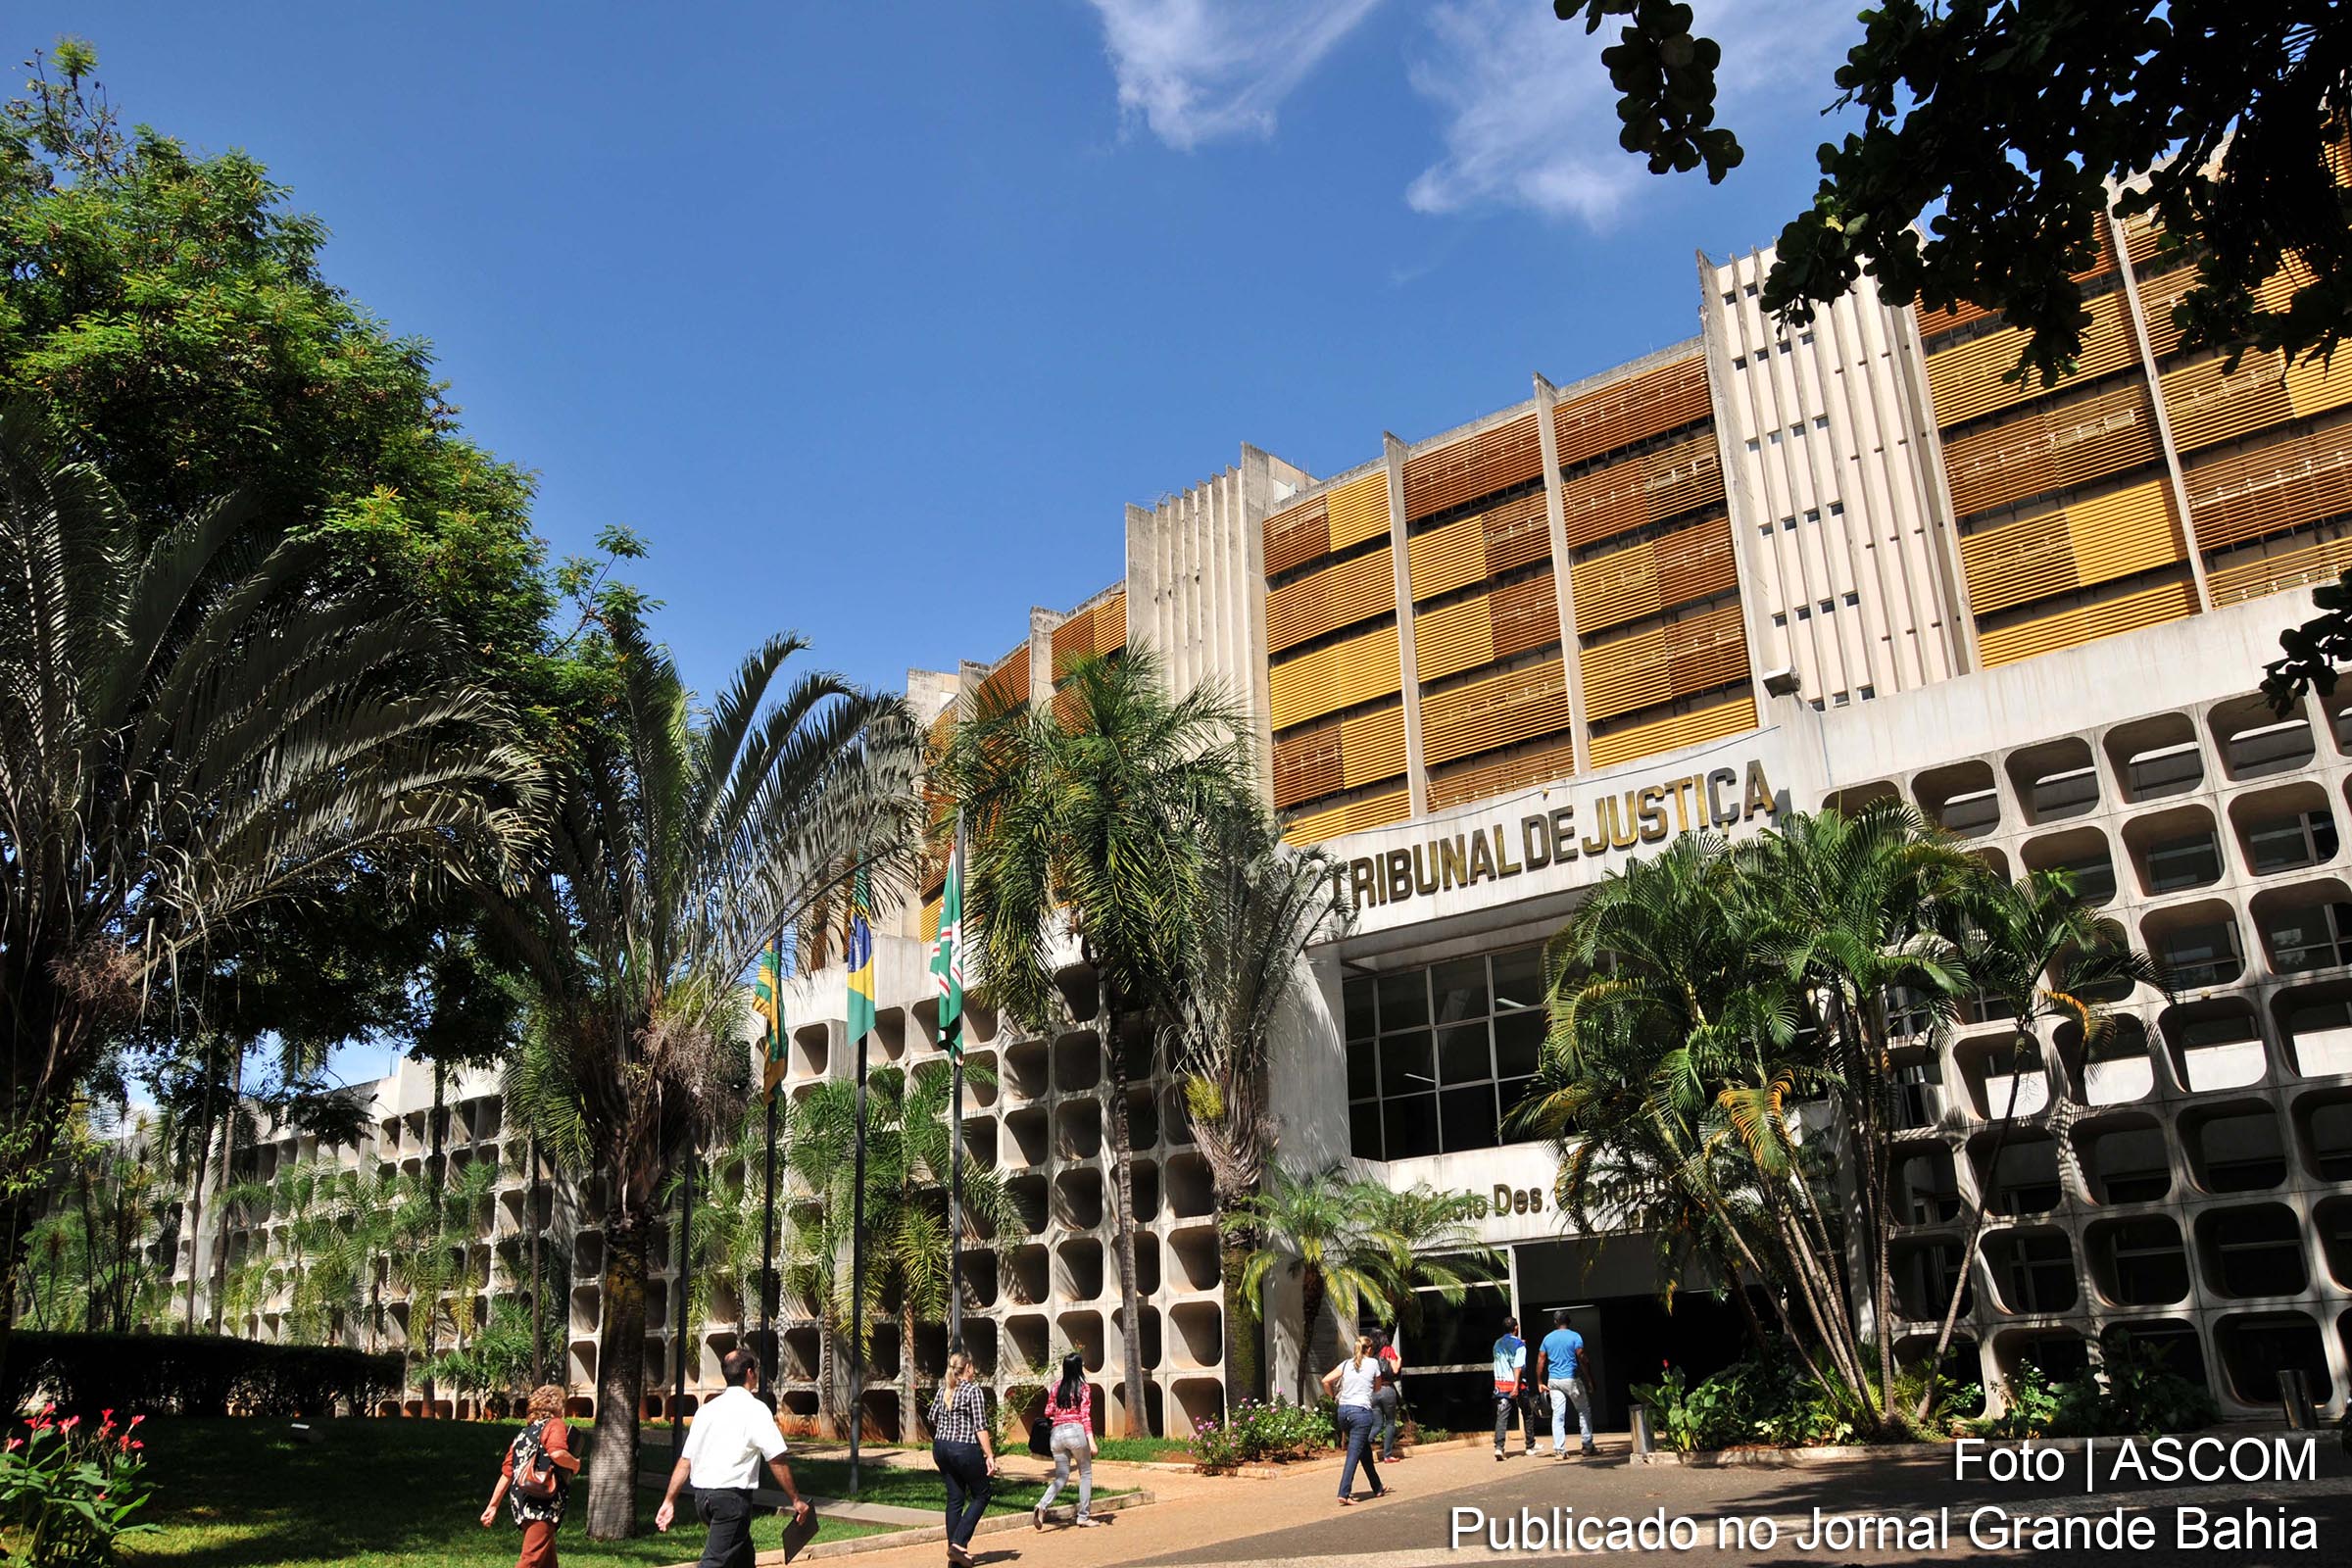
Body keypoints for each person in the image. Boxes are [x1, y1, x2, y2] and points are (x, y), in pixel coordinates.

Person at [655, 1348, 811, 1568]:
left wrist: (669, 1501)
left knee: (742, 1557)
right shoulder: (756, 1410)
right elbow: (776, 1459)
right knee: (714, 1562)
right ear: (750, 1373)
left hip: (703, 1499)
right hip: (731, 1501)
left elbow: (685, 1461)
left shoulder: (706, 1411)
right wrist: (795, 1499)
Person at [479, 1383, 580, 1568]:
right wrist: (575, 1464)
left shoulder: (524, 1434)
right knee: (531, 1560)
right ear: (557, 1405)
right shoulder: (555, 1424)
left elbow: (507, 1473)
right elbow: (557, 1453)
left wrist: (493, 1505)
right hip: (542, 1500)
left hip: (523, 1501)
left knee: (547, 1562)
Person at [929, 1349, 998, 1564]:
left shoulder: (944, 1390)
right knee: (983, 1493)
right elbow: (980, 1426)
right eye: (972, 1366)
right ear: (967, 1368)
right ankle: (959, 1544)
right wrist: (989, 1455)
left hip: (940, 1447)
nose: (974, 1370)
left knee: (955, 1497)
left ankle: (955, 1554)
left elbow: (932, 1418)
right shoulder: (973, 1391)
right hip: (963, 1448)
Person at [1032, 1351, 1102, 1529]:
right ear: (1079, 1367)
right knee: (1085, 1473)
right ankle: (1083, 1516)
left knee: (1061, 1476)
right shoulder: (1083, 1387)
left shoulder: (1056, 1387)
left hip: (1056, 1434)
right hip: (1076, 1431)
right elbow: (1085, 1416)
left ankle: (1042, 1505)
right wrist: (1091, 1441)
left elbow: (1048, 1412)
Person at [1320, 1334, 1391, 1505]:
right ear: (1369, 1349)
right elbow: (1378, 1388)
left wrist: (1333, 1397)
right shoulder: (1373, 1363)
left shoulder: (1346, 1364)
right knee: (1354, 1453)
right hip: (1361, 1413)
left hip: (1343, 1412)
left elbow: (1325, 1380)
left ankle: (1377, 1487)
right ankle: (1344, 1493)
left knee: (1363, 1449)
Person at [1538, 1308, 1595, 1457]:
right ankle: (1587, 1446)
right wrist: (1590, 1379)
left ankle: (1559, 1450)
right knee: (1583, 1410)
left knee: (1558, 1414)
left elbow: (1541, 1360)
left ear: (1555, 1322)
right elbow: (1582, 1358)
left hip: (1554, 1381)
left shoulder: (1547, 1338)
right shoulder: (1575, 1336)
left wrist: (1539, 1381)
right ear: (1569, 1321)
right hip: (1571, 1380)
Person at [1492, 1315, 1537, 1459]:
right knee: (1527, 1412)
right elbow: (1518, 1366)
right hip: (1517, 1385)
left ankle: (1499, 1447)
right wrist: (1516, 1386)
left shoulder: (1497, 1343)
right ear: (1516, 1328)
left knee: (1502, 1416)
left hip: (1500, 1385)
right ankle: (1530, 1446)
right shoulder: (1519, 1345)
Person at [1370, 1329, 1406, 1463]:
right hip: (1387, 1389)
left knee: (1377, 1424)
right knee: (1390, 1422)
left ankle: (1362, 1446)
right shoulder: (1388, 1350)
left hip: (1374, 1391)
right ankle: (1387, 1455)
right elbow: (1395, 1369)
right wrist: (1399, 1359)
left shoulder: (1371, 1353)